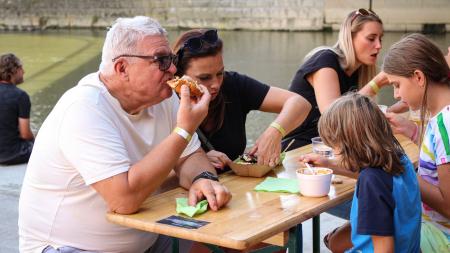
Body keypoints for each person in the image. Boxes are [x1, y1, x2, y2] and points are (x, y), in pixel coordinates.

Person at [18, 16, 232, 253]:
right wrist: (184, 130)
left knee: (224, 244)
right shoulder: (84, 107)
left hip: (147, 238)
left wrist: (203, 178)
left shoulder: (164, 97)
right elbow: (123, 200)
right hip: (68, 247)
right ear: (122, 68)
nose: (172, 69)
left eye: (170, 59)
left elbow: (191, 156)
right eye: (161, 60)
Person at [172, 29, 311, 170]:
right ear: (179, 76)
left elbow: (300, 103)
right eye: (204, 78)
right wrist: (193, 160)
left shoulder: (232, 84)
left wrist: (275, 131)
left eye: (220, 73)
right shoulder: (166, 102)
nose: (216, 84)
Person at [303, 93, 421, 252]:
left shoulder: (370, 182)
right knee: (336, 241)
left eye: (334, 147)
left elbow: (384, 249)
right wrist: (328, 164)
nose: (334, 152)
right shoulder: (399, 158)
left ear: (349, 144)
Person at [282, 8, 389, 151]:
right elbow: (334, 120)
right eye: (371, 38)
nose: (379, 45)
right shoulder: (325, 60)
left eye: (380, 39)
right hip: (297, 148)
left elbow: (357, 121)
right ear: (350, 38)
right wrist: (376, 84)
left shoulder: (360, 70)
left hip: (330, 147)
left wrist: (396, 110)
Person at [383, 34, 450, 253]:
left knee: (359, 238)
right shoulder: (438, 117)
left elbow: (448, 206)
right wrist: (411, 131)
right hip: (432, 226)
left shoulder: (445, 123)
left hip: (441, 236)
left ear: (419, 77)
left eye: (397, 85)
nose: (396, 94)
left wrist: (399, 170)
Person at [0, 53, 34, 165]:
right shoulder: (20, 96)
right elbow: (25, 134)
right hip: (12, 155)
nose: (23, 71)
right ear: (13, 71)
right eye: (21, 68)